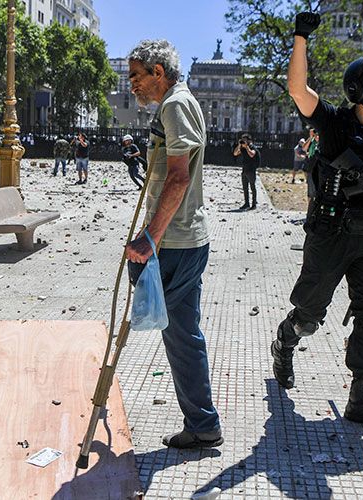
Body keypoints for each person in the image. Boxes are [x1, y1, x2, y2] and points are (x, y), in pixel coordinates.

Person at [271, 13, 363, 436]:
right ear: (360, 89)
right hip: (330, 235)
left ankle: (360, 398)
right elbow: (298, 89)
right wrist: (301, 37)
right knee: (310, 316)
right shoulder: (334, 125)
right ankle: (285, 340)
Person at [126, 39, 222, 449]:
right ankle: (202, 421)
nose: (132, 85)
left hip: (176, 242)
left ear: (157, 72)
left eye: (136, 76)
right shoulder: (176, 104)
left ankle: (202, 424)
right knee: (184, 331)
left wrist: (151, 236)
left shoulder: (175, 105)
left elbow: (180, 178)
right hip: (181, 239)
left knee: (180, 334)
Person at [232, 133, 260, 210]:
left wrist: (247, 147)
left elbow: (252, 154)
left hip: (251, 170)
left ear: (249, 140)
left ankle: (254, 204)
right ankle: (246, 203)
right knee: (245, 188)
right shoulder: (242, 148)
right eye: (242, 140)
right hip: (245, 169)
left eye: (244, 140)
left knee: (252, 187)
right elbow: (235, 153)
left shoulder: (252, 147)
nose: (243, 142)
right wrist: (239, 145)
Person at [303, 128, 319, 200]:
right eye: (315, 133)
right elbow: (304, 148)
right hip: (311, 167)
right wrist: (310, 137)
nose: (316, 135)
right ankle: (310, 209)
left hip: (319, 167)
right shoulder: (311, 141)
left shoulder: (322, 142)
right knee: (310, 192)